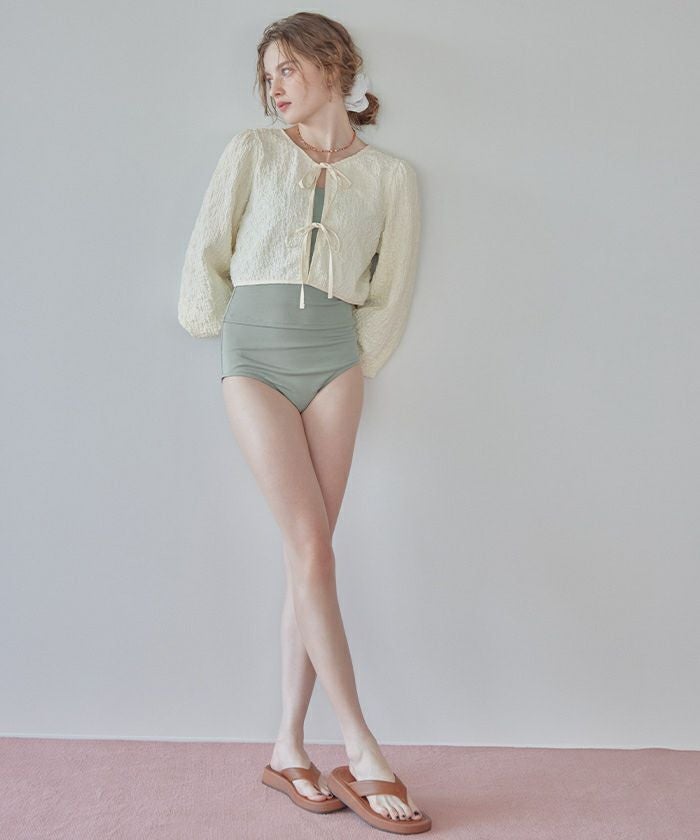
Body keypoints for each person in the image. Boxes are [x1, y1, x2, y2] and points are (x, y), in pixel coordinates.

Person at [178, 12, 429, 834]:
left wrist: (355, 359)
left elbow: (390, 291)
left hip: (335, 365)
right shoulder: (251, 152)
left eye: (287, 69)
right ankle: (361, 746)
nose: (275, 86)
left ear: (333, 67)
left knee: (307, 557)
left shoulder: (391, 177)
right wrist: (219, 327)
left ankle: (288, 747)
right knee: (314, 550)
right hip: (253, 356)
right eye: (268, 76)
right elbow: (208, 251)